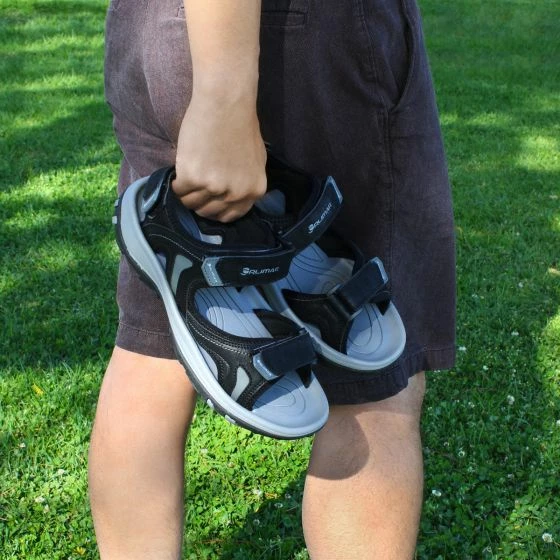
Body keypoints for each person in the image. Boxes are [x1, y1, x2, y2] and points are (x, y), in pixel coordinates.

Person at [88, 0, 456, 558]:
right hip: (302, 38)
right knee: (371, 384)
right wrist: (223, 94)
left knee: (156, 353)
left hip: (159, 25)